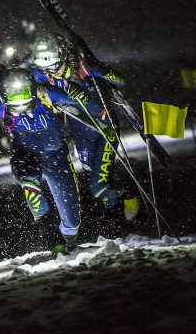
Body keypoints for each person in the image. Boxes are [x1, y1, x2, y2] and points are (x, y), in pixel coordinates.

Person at [0, 68, 108, 253]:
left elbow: (88, 104)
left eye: (24, 95)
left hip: (57, 158)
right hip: (26, 157)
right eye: (14, 98)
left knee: (72, 221)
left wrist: (80, 94)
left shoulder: (47, 95)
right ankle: (52, 240)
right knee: (31, 186)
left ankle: (69, 241)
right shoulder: (0, 106)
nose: (20, 103)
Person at [30, 28, 140, 222]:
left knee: (98, 188)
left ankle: (127, 194)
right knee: (98, 175)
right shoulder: (44, 74)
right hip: (80, 130)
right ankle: (119, 216)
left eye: (55, 65)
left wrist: (101, 70)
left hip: (104, 129)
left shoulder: (82, 68)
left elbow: (121, 81)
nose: (52, 71)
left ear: (62, 55)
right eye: (46, 67)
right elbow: (30, 85)